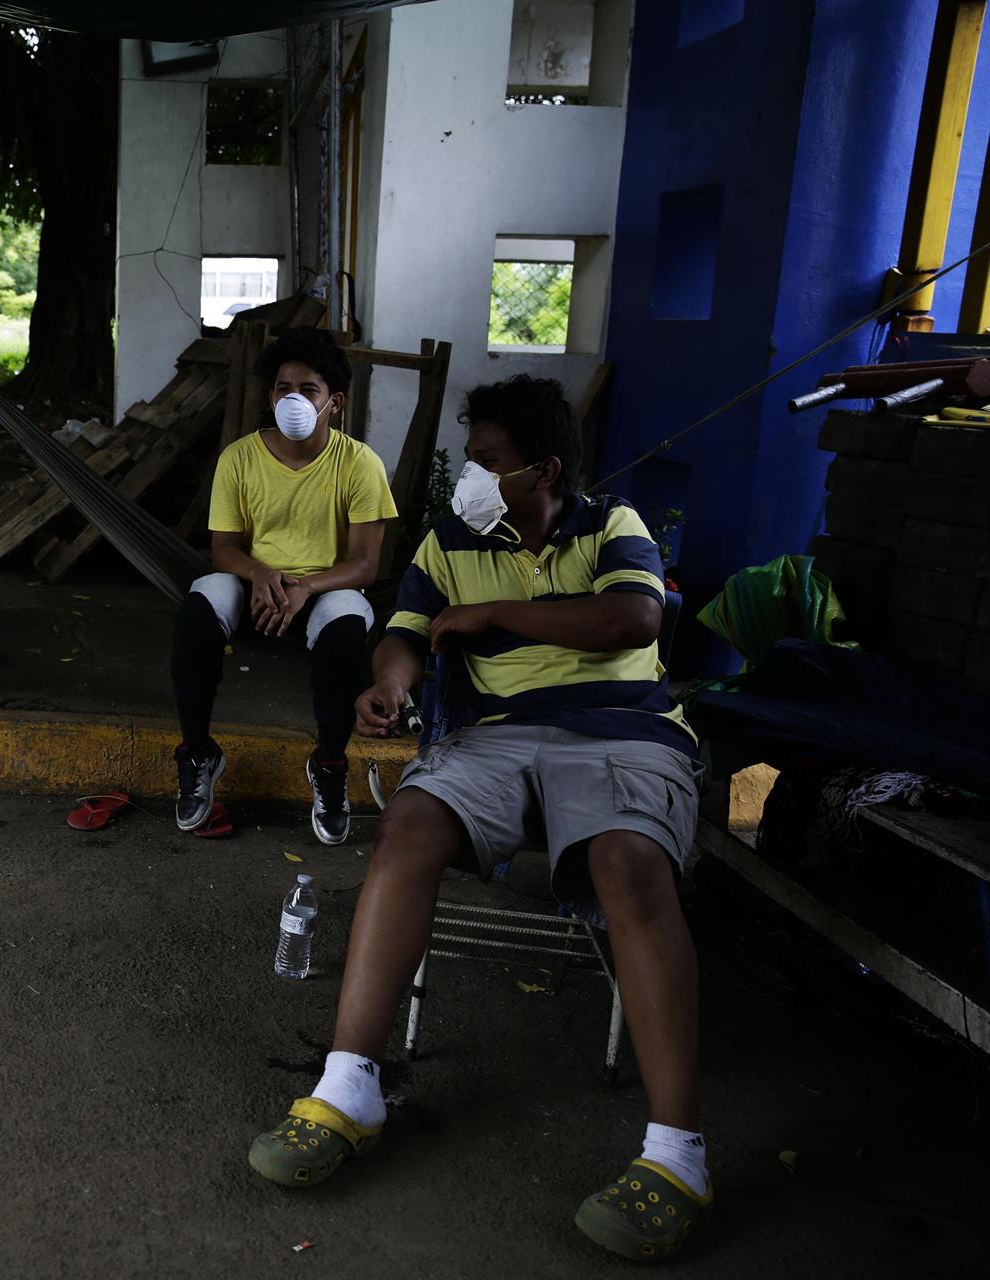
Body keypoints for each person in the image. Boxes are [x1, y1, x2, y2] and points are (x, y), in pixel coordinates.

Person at [244, 375, 711, 1263]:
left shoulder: (612, 524)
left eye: (488, 460)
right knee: (409, 827)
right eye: (472, 455)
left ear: (542, 472)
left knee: (628, 866)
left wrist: (497, 612)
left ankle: (678, 1157)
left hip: (623, 734)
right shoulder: (451, 537)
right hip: (496, 738)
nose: (469, 473)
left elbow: (634, 617)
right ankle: (349, 1090)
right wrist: (388, 683)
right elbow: (409, 634)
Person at [171, 328, 397, 844]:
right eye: (281, 387)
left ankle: (330, 764)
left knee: (345, 632)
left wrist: (305, 587)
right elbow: (223, 548)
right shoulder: (240, 458)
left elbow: (364, 565)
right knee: (197, 614)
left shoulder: (360, 464)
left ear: (334, 402)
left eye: (308, 389)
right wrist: (261, 574)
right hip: (253, 581)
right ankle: (198, 753)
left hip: (327, 587)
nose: (291, 398)